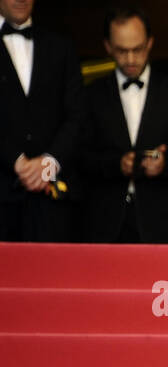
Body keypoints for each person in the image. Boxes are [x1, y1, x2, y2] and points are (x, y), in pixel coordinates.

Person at [82, 6, 168, 243]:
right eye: (121, 51)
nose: (130, 59)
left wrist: (164, 165)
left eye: (137, 49)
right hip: (103, 223)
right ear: (107, 46)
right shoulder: (91, 95)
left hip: (162, 221)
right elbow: (79, 157)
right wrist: (116, 164)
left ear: (149, 43)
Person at [0, 0, 83, 241]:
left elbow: (78, 116)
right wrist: (17, 161)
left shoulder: (61, 46)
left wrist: (48, 164)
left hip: (52, 203)